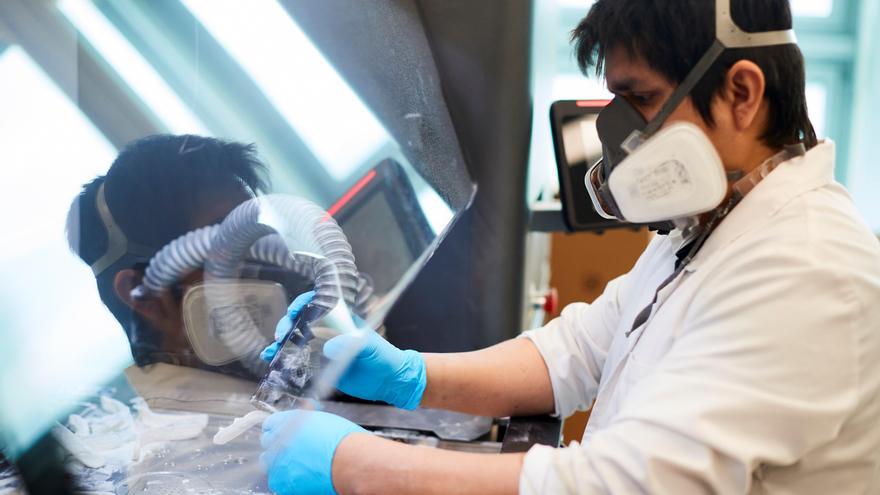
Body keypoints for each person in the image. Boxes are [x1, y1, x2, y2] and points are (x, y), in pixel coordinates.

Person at [257, 1, 880, 494]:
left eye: (641, 99)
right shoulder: (716, 221)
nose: (620, 133)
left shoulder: (807, 268)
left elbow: (626, 484)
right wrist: (409, 375)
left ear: (741, 94)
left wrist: (359, 467)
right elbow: (579, 351)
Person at [66, 134, 276, 416]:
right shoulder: (180, 440)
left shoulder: (295, 365)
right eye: (224, 237)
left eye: (253, 226)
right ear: (143, 293)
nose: (267, 256)